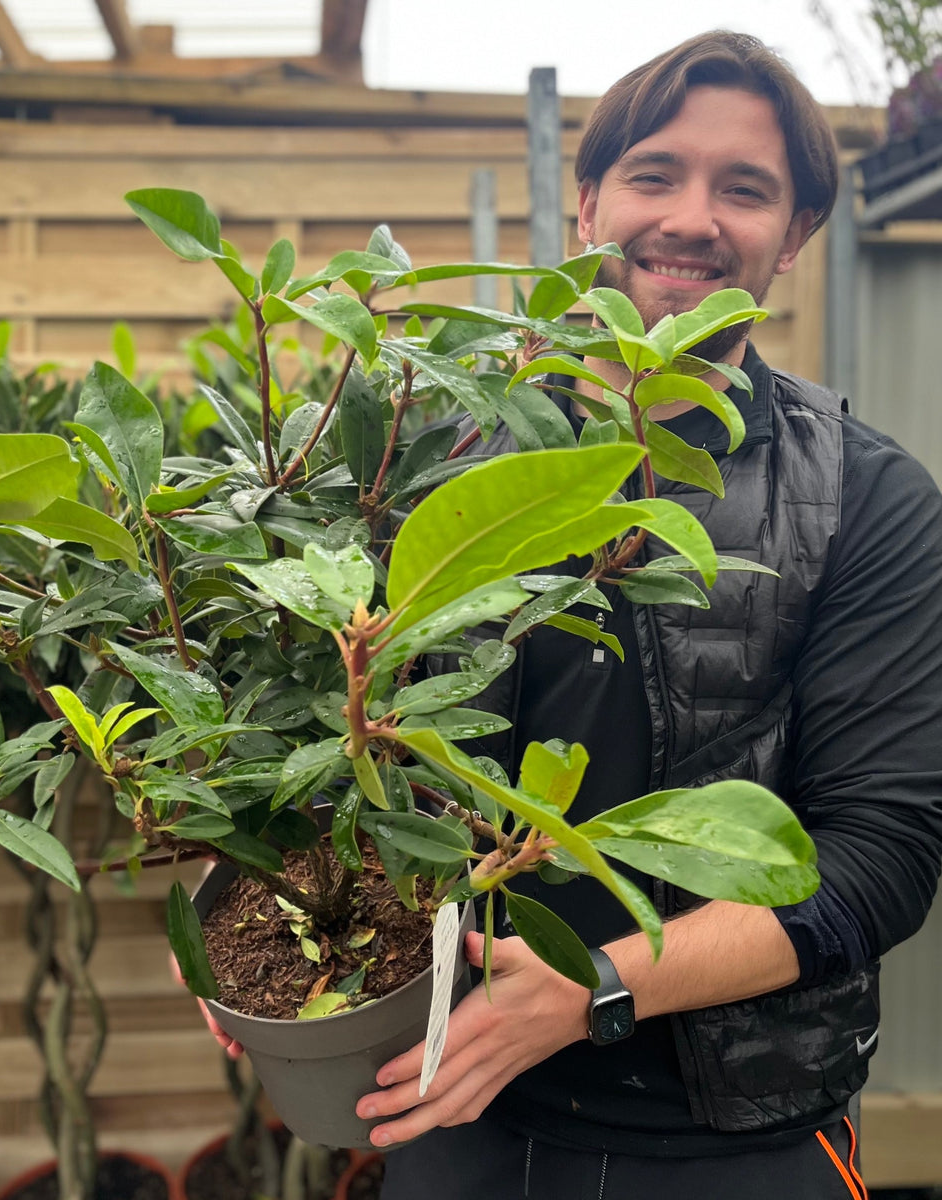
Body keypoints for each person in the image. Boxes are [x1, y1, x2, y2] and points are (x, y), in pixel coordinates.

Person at [355, 29, 942, 1199]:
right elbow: (338, 756)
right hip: (457, 1097)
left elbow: (882, 857)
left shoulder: (867, 501)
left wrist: (593, 988)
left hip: (745, 1131)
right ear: (588, 207)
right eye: (655, 175)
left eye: (746, 189)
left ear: (798, 236)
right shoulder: (432, 464)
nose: (692, 218)